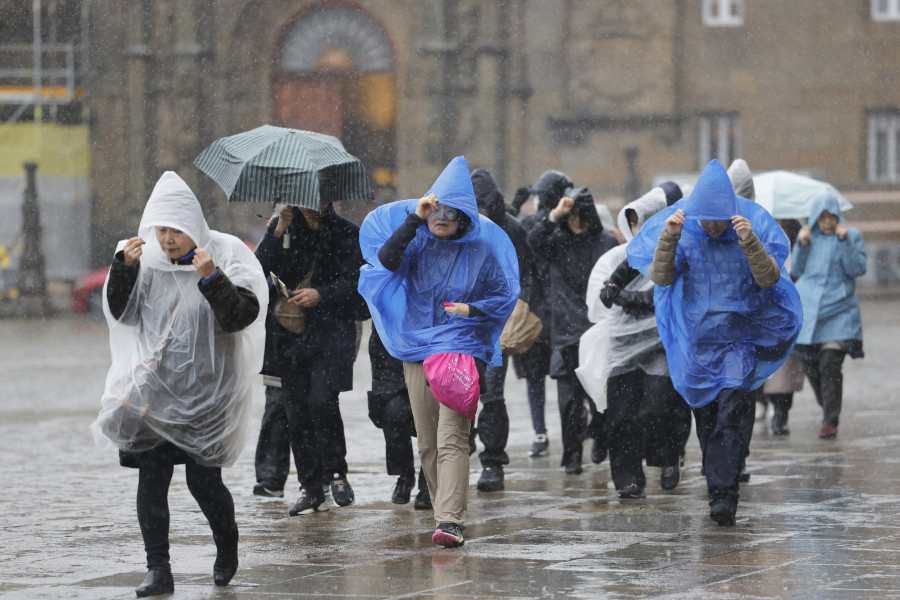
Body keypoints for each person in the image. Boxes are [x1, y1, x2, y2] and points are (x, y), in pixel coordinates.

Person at [91, 172, 267, 596]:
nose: (168, 239)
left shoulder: (225, 255)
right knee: (151, 478)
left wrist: (212, 278)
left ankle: (227, 548)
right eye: (161, 230)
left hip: (208, 395)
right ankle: (158, 569)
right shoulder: (143, 260)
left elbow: (240, 318)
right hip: (155, 393)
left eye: (177, 230)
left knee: (203, 482)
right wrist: (123, 270)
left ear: (194, 228)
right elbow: (124, 314)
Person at [627, 159, 801, 526]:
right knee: (707, 419)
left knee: (731, 411)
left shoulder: (746, 232)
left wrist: (750, 242)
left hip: (739, 342)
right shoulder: (687, 234)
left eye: (715, 218)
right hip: (698, 345)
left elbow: (770, 279)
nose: (710, 225)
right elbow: (661, 277)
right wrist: (670, 236)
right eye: (703, 217)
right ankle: (718, 481)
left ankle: (723, 497)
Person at [358, 156, 519, 548]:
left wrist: (473, 310)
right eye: (436, 208)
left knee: (453, 436)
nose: (442, 217)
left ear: (464, 215)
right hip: (417, 350)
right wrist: (415, 218)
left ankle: (450, 520)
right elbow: (387, 261)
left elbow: (503, 295)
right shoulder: (416, 241)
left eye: (451, 211)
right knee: (428, 441)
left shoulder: (481, 249)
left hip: (462, 350)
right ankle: (443, 510)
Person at [578, 186, 691, 499]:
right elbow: (605, 293)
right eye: (634, 222)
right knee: (621, 414)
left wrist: (631, 299)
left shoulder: (676, 252)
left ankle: (667, 457)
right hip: (622, 346)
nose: (639, 229)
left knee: (657, 408)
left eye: (644, 221)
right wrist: (617, 292)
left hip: (661, 344)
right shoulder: (623, 256)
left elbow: (665, 294)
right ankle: (628, 478)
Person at [254, 202, 366, 516]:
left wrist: (322, 294)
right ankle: (310, 487)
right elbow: (257, 269)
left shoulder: (346, 232)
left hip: (333, 332)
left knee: (322, 401)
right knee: (295, 410)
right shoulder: (283, 228)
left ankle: (335, 473)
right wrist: (276, 230)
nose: (309, 207)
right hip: (289, 333)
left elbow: (358, 283)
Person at [528, 186, 619, 475]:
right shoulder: (555, 241)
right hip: (566, 330)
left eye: (582, 215)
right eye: (572, 216)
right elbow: (532, 243)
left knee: (599, 397)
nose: (576, 221)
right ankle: (572, 455)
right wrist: (554, 215)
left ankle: (600, 436)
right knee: (568, 401)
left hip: (597, 329)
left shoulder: (605, 241)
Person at [469, 168, 535, 492]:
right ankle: (465, 439)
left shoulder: (512, 230)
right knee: (458, 389)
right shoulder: (458, 228)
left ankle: (493, 461)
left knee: (492, 394)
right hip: (463, 321)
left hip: (498, 323)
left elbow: (528, 275)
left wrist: (520, 309)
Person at [791, 193, 866, 439]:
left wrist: (844, 242)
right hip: (811, 312)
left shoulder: (851, 236)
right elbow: (798, 270)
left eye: (830, 217)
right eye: (822, 217)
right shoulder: (807, 237)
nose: (826, 223)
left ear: (837, 216)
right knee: (812, 368)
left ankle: (830, 420)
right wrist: (801, 245)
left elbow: (856, 269)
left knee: (830, 363)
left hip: (839, 312)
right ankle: (829, 407)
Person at [514, 170, 573, 458]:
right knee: (535, 376)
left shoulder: (572, 227)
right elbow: (525, 240)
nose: (540, 200)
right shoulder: (532, 223)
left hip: (563, 315)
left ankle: (574, 430)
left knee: (570, 377)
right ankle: (540, 432)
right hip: (535, 314)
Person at [367, 325, 431, 507]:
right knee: (393, 413)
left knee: (432, 418)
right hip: (390, 347)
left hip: (430, 343)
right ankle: (405, 474)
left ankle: (428, 479)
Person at [764, 217, 804, 436]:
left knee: (784, 367)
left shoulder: (797, 233)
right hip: (761, 305)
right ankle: (770, 405)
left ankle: (780, 412)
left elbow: (800, 269)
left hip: (786, 306)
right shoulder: (755, 226)